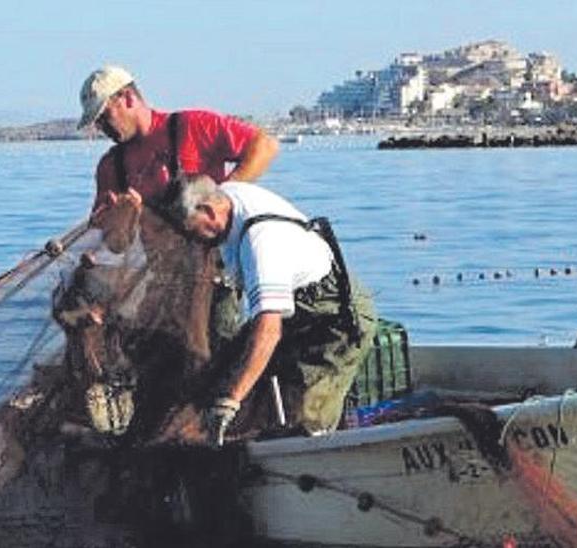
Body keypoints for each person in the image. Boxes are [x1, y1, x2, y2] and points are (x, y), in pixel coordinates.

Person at [161, 175, 377, 444]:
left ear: (208, 210)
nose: (193, 240)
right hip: (293, 309)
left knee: (305, 418)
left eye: (192, 231)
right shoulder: (227, 194)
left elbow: (269, 331)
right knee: (219, 376)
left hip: (333, 320)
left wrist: (232, 401)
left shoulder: (262, 245)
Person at [76, 65, 279, 249]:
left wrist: (223, 196)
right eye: (97, 122)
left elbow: (265, 146)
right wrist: (123, 218)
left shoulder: (192, 126)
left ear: (127, 98)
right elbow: (115, 246)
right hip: (166, 277)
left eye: (104, 117)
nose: (102, 127)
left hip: (220, 258)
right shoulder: (110, 167)